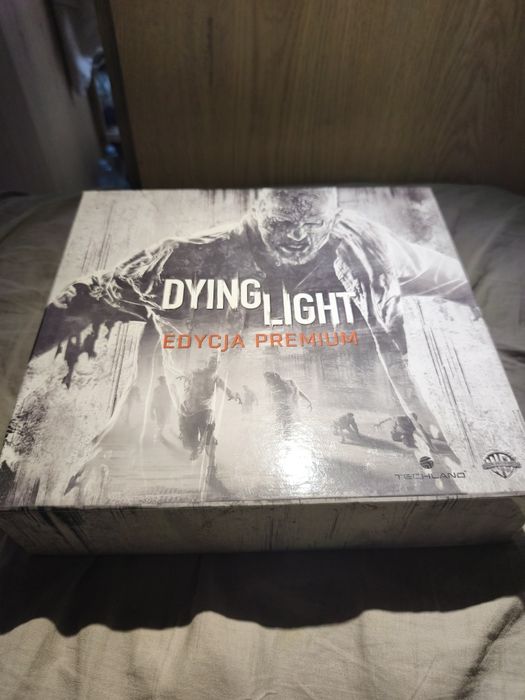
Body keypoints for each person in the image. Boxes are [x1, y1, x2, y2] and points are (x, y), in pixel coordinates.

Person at [25, 187, 473, 482]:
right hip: (187, 397)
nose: (298, 237)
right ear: (255, 212)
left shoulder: (367, 247)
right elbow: (85, 297)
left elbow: (450, 277)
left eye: (313, 225)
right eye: (282, 223)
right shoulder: (183, 260)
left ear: (334, 217)